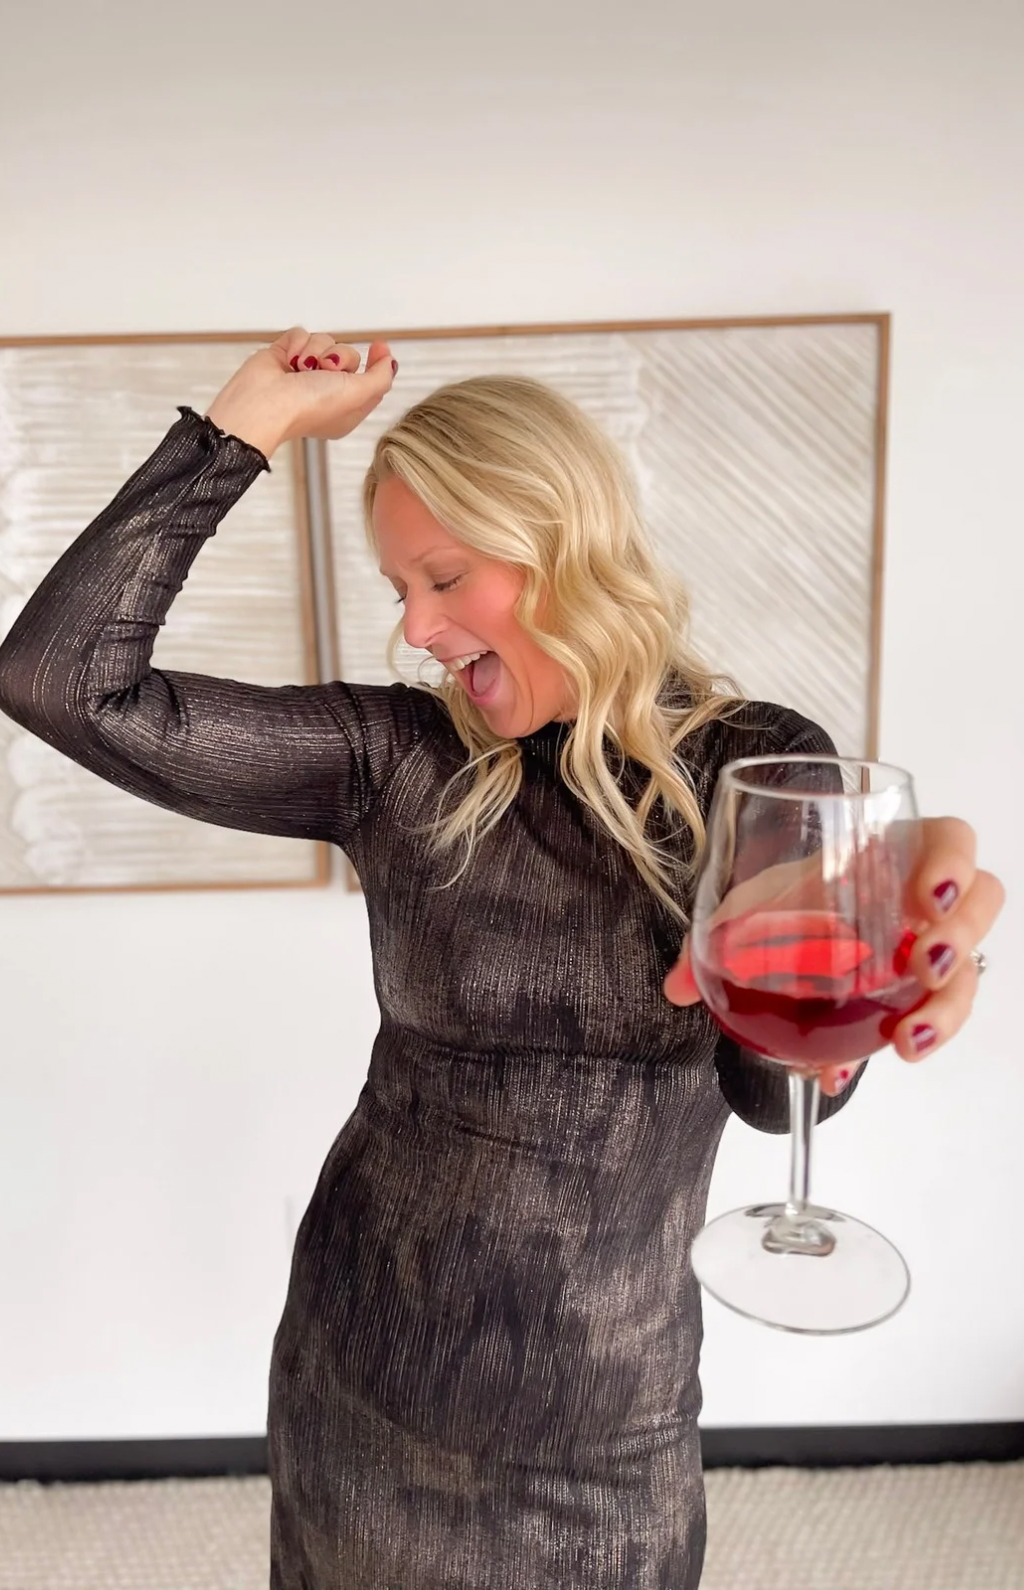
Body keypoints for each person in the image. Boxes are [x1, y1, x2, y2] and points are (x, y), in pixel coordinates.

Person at [0, 327, 1003, 1589]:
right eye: (398, 590)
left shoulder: (743, 765)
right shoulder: (393, 759)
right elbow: (60, 681)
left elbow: (766, 1095)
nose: (418, 628)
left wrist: (862, 992)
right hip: (361, 1379)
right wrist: (246, 422)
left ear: (564, 546)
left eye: (445, 576)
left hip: (603, 1429)